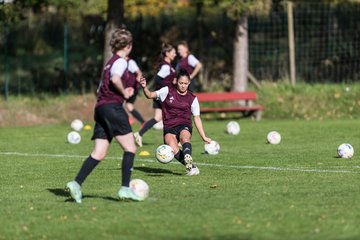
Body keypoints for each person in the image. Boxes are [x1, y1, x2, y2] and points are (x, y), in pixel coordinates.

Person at [66, 28, 144, 203]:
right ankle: (125, 189)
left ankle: (76, 184)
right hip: (112, 109)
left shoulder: (108, 63)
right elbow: (116, 79)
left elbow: (98, 89)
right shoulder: (122, 62)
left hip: (100, 108)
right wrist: (124, 93)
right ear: (129, 46)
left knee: (99, 152)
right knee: (130, 148)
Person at [139, 69, 211, 176]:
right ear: (176, 81)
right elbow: (150, 95)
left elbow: (197, 118)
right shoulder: (167, 91)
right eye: (181, 83)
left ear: (189, 83)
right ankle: (191, 167)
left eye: (185, 83)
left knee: (184, 138)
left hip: (184, 124)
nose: (183, 85)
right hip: (169, 126)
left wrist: (204, 137)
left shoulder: (192, 98)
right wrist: (144, 87)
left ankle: (188, 156)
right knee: (173, 148)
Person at [134, 43, 177, 147]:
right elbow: (158, 79)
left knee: (157, 118)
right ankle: (174, 141)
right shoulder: (166, 67)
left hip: (160, 96)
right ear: (167, 53)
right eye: (173, 52)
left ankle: (139, 134)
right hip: (163, 96)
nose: (175, 54)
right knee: (173, 117)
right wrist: (168, 87)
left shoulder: (167, 65)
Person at [124, 57, 146, 126]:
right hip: (128, 88)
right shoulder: (122, 63)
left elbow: (139, 72)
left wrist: (134, 86)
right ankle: (143, 122)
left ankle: (128, 119)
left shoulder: (130, 62)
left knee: (119, 102)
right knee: (129, 105)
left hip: (131, 88)